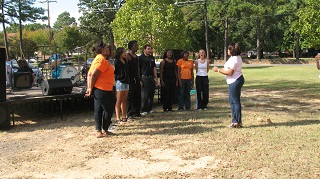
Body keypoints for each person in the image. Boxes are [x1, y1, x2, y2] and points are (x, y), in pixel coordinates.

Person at [85, 41, 115, 138]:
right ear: (102, 50)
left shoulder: (98, 59)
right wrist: (90, 88)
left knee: (99, 110)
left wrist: (90, 88)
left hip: (104, 88)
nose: (108, 49)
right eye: (106, 48)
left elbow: (89, 74)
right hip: (102, 89)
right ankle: (103, 129)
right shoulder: (101, 60)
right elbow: (93, 75)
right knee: (108, 110)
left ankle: (101, 130)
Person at [212, 42, 245, 128]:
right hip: (235, 80)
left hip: (235, 80)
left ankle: (237, 121)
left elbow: (230, 73)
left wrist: (218, 70)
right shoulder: (236, 58)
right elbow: (228, 69)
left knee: (235, 101)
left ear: (232, 50)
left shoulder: (234, 59)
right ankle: (234, 121)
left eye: (228, 49)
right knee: (232, 101)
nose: (227, 50)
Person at [139, 44, 159, 116]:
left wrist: (156, 79)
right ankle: (143, 109)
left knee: (151, 93)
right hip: (144, 77)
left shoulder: (152, 58)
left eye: (150, 49)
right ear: (144, 50)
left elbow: (154, 68)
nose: (150, 50)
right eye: (148, 49)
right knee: (145, 94)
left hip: (151, 77)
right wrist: (140, 79)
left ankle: (149, 108)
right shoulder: (141, 58)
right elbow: (139, 69)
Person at [114, 47, 130, 124]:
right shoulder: (117, 62)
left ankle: (124, 116)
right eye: (124, 52)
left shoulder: (125, 61)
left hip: (126, 81)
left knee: (124, 99)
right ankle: (118, 118)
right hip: (120, 82)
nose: (125, 53)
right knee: (119, 100)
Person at [126, 40, 141, 119]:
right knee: (130, 96)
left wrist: (139, 79)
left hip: (136, 78)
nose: (137, 47)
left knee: (137, 95)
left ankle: (137, 112)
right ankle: (129, 113)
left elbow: (138, 68)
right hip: (130, 78)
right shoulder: (128, 56)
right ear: (131, 46)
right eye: (135, 46)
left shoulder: (137, 57)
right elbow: (126, 68)